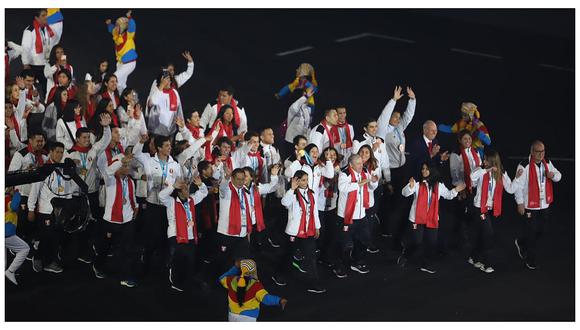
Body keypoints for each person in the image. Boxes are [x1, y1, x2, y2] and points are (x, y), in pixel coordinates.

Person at [399, 162, 465, 274]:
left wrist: (456, 190)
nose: (424, 171)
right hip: (417, 218)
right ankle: (406, 254)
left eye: (426, 169)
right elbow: (404, 193)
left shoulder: (438, 185)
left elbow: (448, 195)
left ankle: (426, 263)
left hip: (432, 217)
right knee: (416, 242)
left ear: (432, 170)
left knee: (431, 243)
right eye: (423, 169)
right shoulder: (417, 183)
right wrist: (409, 187)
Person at [64, 115, 112, 263]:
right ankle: (72, 251)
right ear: (77, 139)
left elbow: (105, 140)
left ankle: (86, 250)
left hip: (92, 193)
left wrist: (106, 127)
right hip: (77, 196)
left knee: (92, 224)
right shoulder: (70, 154)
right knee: (77, 225)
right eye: (84, 138)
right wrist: (73, 165)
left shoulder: (93, 150)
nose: (87, 140)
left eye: (88, 137)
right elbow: (65, 176)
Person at [132, 134, 182, 272]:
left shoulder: (175, 164)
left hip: (167, 206)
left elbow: (179, 182)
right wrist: (141, 142)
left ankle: (163, 266)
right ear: (159, 148)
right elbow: (135, 154)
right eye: (166, 145)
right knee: (150, 236)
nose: (169, 148)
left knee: (165, 236)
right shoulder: (149, 160)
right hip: (152, 204)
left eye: (170, 145)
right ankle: (144, 264)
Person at [27, 142, 77, 273]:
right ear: (50, 152)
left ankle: (51, 262)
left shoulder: (64, 169)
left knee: (57, 237)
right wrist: (31, 209)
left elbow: (68, 189)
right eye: (57, 152)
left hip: (60, 211)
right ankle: (37, 257)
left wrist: (68, 208)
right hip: (46, 210)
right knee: (46, 236)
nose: (59, 155)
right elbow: (34, 190)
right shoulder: (44, 169)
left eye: (61, 152)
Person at [468, 149, 519, 273]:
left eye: (486, 159)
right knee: (488, 234)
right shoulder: (480, 170)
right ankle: (487, 264)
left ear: (492, 161)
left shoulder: (501, 172)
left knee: (482, 235)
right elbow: (471, 176)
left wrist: (517, 178)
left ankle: (473, 257)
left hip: (492, 209)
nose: (483, 161)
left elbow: (511, 189)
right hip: (480, 208)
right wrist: (487, 169)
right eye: (484, 159)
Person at [513, 140, 562, 270]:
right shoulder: (524, 165)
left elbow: (559, 176)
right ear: (532, 152)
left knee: (542, 230)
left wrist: (552, 175)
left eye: (543, 151)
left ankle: (521, 242)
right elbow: (518, 186)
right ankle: (530, 259)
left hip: (544, 204)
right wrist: (520, 203)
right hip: (530, 205)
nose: (541, 154)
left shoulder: (548, 163)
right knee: (531, 232)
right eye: (538, 151)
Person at [159, 177, 208, 292]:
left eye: (188, 189)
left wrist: (201, 184)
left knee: (189, 260)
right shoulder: (171, 202)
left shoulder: (191, 200)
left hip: (190, 235)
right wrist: (172, 186)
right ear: (179, 191)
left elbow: (203, 192)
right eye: (186, 189)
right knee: (177, 260)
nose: (188, 191)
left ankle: (186, 281)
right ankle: (175, 282)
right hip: (175, 235)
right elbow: (161, 196)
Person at [279, 170, 324, 293]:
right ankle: (280, 275)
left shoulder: (311, 193)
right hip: (294, 231)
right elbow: (284, 203)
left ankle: (314, 283)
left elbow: (314, 211)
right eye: (303, 180)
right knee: (288, 255)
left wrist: (317, 227)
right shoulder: (292, 194)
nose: (306, 182)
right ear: (296, 180)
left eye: (306, 180)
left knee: (311, 257)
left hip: (308, 230)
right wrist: (292, 189)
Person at [335, 154, 379, 275]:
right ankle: (339, 265)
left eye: (361, 163)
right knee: (345, 245)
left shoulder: (365, 171)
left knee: (364, 240)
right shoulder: (345, 173)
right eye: (358, 163)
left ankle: (357, 262)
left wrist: (374, 181)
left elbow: (370, 188)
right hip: (347, 215)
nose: (361, 165)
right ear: (351, 164)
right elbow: (342, 187)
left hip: (361, 215)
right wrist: (358, 184)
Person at [447, 129, 482, 253]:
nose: (468, 141)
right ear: (460, 140)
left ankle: (469, 238)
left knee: (472, 214)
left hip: (475, 188)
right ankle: (460, 242)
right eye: (465, 139)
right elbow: (455, 173)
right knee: (461, 216)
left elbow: (479, 168)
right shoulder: (456, 154)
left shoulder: (476, 151)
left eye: (469, 139)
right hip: (462, 189)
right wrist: (461, 190)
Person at [219, 259, 287, 322]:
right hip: (248, 317)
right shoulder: (256, 285)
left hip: (232, 315)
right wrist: (279, 300)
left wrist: (235, 267)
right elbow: (266, 298)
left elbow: (222, 278)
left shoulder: (231, 280)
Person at [20, 9, 64, 96]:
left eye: (46, 15)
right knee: (29, 91)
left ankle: (42, 107)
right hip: (32, 67)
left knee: (43, 91)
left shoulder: (46, 30)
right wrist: (26, 65)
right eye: (43, 16)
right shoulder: (30, 31)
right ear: (37, 18)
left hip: (43, 66)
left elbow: (54, 39)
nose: (46, 17)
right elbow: (25, 49)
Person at [242, 165, 280, 252]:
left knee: (254, 245)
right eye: (242, 175)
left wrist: (274, 176)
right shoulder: (237, 189)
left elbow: (271, 187)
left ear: (251, 177)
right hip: (243, 222)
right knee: (244, 247)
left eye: (246, 176)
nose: (243, 178)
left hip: (254, 221)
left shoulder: (257, 188)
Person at [105, 10, 137, 93]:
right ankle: (122, 97)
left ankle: (106, 94)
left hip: (129, 63)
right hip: (120, 63)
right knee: (121, 84)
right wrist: (109, 24)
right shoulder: (116, 35)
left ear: (123, 27)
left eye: (118, 26)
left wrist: (129, 18)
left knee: (114, 78)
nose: (116, 27)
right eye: (116, 25)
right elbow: (111, 29)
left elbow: (132, 27)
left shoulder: (128, 35)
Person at [5, 188, 30, 285]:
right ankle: (10, 271)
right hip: (6, 233)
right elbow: (14, 206)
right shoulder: (7, 199)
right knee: (25, 249)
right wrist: (16, 194)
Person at [147, 71, 184, 137]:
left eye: (168, 78)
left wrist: (182, 126)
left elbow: (179, 109)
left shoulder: (174, 92)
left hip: (171, 130)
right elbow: (151, 103)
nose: (167, 81)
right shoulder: (157, 91)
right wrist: (161, 86)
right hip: (157, 131)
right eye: (165, 79)